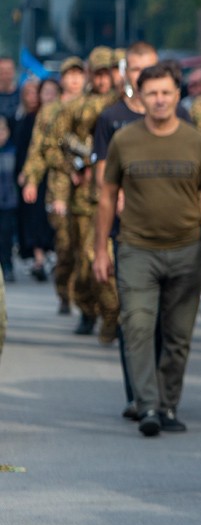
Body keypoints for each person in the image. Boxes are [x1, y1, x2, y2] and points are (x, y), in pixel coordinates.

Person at [93, 63, 201, 437]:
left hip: (187, 250)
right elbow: (107, 195)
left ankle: (167, 404)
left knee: (178, 336)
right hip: (136, 249)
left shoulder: (196, 142)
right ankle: (146, 404)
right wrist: (100, 249)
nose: (159, 100)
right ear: (139, 96)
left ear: (177, 95)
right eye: (152, 93)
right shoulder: (124, 140)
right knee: (139, 326)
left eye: (166, 93)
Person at [59, 47, 120, 340]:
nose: (103, 79)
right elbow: (56, 143)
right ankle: (87, 310)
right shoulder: (76, 107)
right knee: (85, 262)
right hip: (86, 196)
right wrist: (75, 165)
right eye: (97, 73)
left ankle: (113, 315)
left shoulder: (123, 104)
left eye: (107, 72)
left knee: (113, 261)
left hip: (120, 193)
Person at [22, 60, 84, 315]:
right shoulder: (49, 111)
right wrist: (31, 179)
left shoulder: (93, 106)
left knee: (87, 247)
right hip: (59, 186)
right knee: (65, 244)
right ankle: (65, 294)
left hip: (90, 187)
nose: (74, 80)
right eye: (70, 75)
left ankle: (88, 302)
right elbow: (37, 148)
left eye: (79, 75)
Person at [14, 78, 54, 281]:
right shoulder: (31, 119)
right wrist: (26, 174)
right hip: (37, 176)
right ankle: (39, 258)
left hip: (59, 175)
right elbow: (27, 150)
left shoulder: (66, 115)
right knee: (36, 217)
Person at [0, 117, 17, 281]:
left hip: (8, 202)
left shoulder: (13, 151)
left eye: (2, 131)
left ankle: (7, 265)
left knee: (6, 236)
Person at [0, 56, 20, 121]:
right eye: (2, 71)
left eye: (8, 71)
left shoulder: (22, 95)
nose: (5, 75)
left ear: (14, 72)